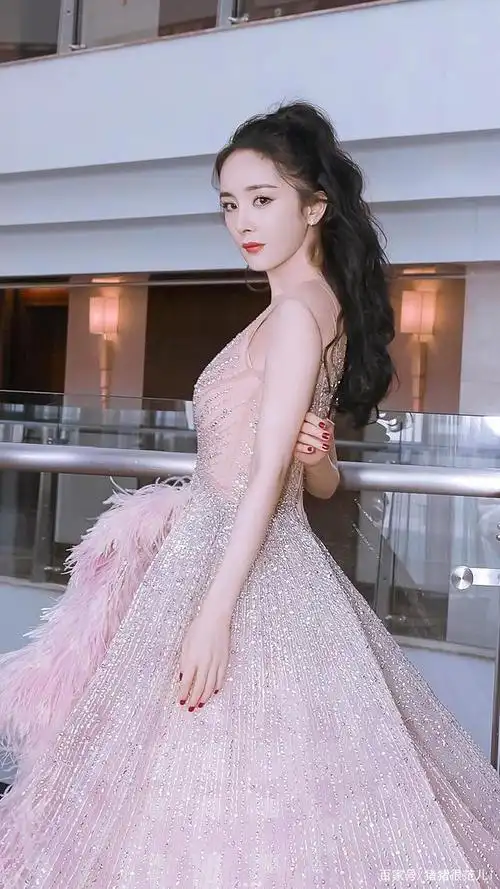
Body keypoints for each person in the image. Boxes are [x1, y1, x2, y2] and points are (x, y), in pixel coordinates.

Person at [0, 101, 499, 888]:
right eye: (231, 203)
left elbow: (267, 477)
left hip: (234, 563)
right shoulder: (316, 305)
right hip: (243, 549)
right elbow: (315, 478)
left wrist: (214, 612)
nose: (242, 221)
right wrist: (319, 455)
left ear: (315, 206)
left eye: (263, 199)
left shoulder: (297, 313)